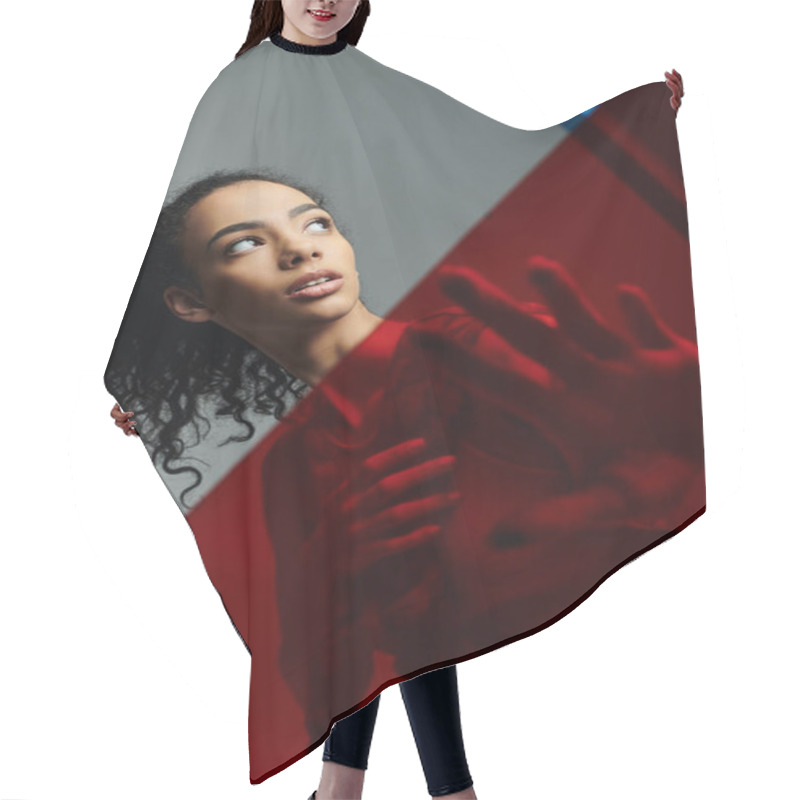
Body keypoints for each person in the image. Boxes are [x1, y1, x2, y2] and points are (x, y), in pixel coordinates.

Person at [109, 3, 687, 799]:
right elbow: (177, 248)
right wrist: (150, 380)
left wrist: (623, 124)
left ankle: (367, 787)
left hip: (396, 358)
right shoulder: (235, 91)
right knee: (371, 578)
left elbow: (479, 156)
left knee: (410, 571)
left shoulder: (373, 89)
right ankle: (400, 787)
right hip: (301, 405)